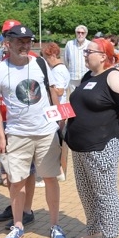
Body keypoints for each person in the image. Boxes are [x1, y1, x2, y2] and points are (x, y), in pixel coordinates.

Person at [0, 24, 67, 238]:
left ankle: (54, 224)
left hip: (45, 132)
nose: (25, 45)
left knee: (50, 178)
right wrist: (2, 136)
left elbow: (52, 92)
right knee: (16, 181)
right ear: (8, 44)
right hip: (17, 134)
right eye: (19, 41)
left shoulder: (41, 63)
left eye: (28, 41)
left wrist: (60, 120)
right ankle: (18, 225)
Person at [66, 37, 119, 238]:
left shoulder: (113, 75)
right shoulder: (89, 76)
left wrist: (106, 117)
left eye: (89, 51)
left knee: (105, 193)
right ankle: (95, 231)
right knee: (86, 192)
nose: (85, 54)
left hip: (102, 145)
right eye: (85, 51)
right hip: (79, 145)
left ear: (104, 56)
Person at [42, 41, 70, 181]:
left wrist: (48, 86)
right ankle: (59, 170)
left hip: (59, 107)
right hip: (62, 107)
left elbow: (59, 91)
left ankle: (59, 170)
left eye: (47, 58)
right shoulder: (61, 68)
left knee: (57, 141)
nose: (47, 62)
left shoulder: (58, 70)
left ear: (53, 55)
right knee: (60, 140)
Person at [63, 25, 91, 95]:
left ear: (86, 34)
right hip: (73, 77)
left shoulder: (90, 44)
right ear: (75, 33)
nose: (80, 34)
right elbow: (66, 60)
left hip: (86, 76)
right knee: (74, 97)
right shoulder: (69, 44)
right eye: (78, 32)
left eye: (82, 33)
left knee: (86, 96)